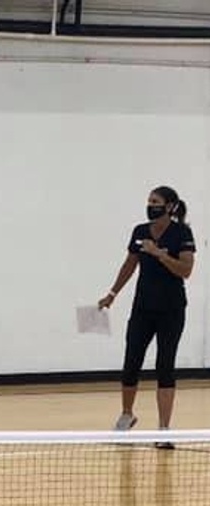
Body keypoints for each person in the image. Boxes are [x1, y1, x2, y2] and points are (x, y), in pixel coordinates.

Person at [98, 185, 196, 443]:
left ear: (170, 206)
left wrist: (160, 255)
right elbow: (130, 264)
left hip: (172, 309)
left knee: (165, 365)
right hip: (143, 308)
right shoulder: (140, 232)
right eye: (149, 201)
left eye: (156, 201)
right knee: (131, 362)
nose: (151, 205)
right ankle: (127, 415)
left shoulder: (182, 233)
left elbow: (185, 270)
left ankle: (164, 429)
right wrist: (112, 293)